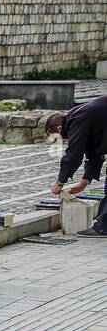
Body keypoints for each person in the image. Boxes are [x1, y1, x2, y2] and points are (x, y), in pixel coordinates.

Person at [46, 93, 107, 237]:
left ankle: (103, 227)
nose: (64, 141)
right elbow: (94, 152)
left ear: (59, 129)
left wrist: (60, 182)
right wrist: (85, 181)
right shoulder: (81, 118)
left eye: (60, 139)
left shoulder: (78, 118)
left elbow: (74, 153)